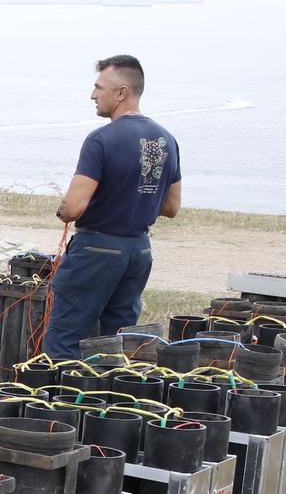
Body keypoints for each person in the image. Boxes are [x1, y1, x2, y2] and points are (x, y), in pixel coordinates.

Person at [43, 55, 183, 359]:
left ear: (121, 92)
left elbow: (73, 208)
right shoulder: (167, 140)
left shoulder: (100, 140)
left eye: (98, 87)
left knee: (65, 341)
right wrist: (135, 201)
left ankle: (60, 403)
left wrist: (63, 211)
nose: (93, 94)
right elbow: (172, 207)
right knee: (118, 344)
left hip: (97, 250)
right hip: (139, 251)